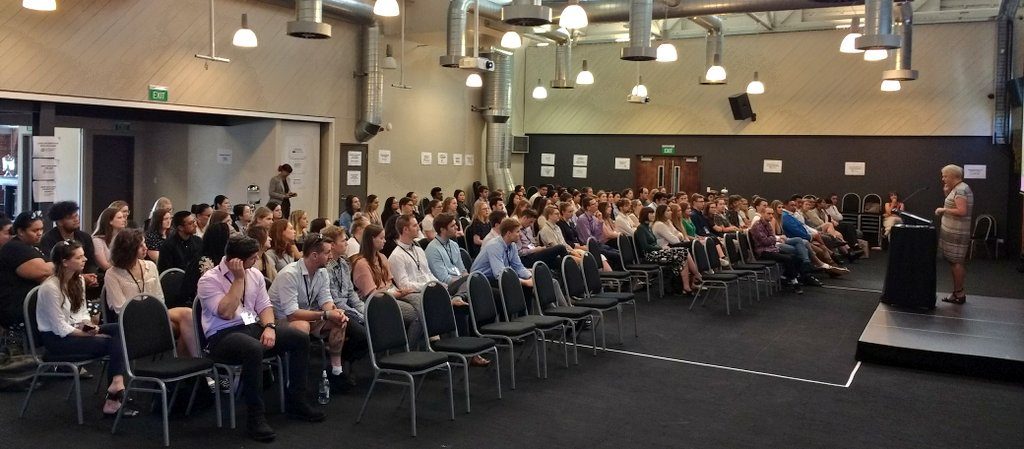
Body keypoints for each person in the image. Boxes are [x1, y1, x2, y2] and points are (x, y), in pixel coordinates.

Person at [197, 235, 325, 441]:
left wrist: (270, 327)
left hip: (252, 326)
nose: (257, 260)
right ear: (237, 261)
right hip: (222, 335)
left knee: (299, 338)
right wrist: (238, 279)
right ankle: (255, 417)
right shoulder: (209, 280)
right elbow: (226, 313)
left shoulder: (254, 274)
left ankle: (297, 401)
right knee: (253, 348)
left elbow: (265, 306)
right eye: (252, 258)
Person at [37, 240, 137, 417]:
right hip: (57, 340)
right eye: (79, 257)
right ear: (65, 262)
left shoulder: (78, 281)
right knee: (112, 343)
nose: (85, 259)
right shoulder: (50, 288)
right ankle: (114, 397)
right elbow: (60, 328)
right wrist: (90, 334)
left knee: (119, 329)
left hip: (75, 330)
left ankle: (116, 384)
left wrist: (88, 325)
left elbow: (82, 311)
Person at [269, 233, 356, 392]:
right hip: (280, 320)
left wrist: (334, 312)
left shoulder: (322, 272)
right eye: (327, 253)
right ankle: (296, 381)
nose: (331, 256)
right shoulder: (289, 274)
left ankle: (336, 371)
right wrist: (325, 315)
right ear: (315, 255)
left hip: (306, 316)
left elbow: (325, 300)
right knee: (302, 326)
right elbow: (292, 314)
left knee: (339, 320)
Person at [103, 228, 198, 356]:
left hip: (154, 312)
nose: (145, 248)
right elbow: (120, 308)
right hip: (132, 318)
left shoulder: (150, 266)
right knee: (184, 325)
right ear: (128, 249)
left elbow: (159, 297)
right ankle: (186, 361)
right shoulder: (112, 274)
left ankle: (193, 360)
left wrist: (154, 312)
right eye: (140, 246)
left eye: (144, 243)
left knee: (188, 314)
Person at [350, 224, 422, 345]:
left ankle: (423, 343)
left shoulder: (382, 257)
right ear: (372, 239)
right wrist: (397, 293)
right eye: (381, 238)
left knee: (421, 301)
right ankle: (409, 347)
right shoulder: (361, 264)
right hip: (376, 302)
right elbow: (372, 294)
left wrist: (399, 292)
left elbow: (389, 283)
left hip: (390, 295)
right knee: (418, 315)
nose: (384, 241)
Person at [0, 212, 53, 328]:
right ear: (20, 232)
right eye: (35, 230)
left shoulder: (35, 247)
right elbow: (43, 271)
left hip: (34, 303)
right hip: (18, 307)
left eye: (41, 229)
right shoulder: (14, 247)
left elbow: (49, 272)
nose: (39, 233)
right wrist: (61, 265)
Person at [634, 207, 700, 294]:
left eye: (653, 213)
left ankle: (686, 286)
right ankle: (696, 277)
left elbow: (654, 243)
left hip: (656, 252)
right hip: (650, 255)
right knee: (683, 252)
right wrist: (661, 248)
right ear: (645, 215)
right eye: (651, 213)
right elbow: (645, 247)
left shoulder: (648, 227)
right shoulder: (641, 228)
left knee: (683, 253)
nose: (653, 215)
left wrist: (661, 248)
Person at [936, 164, 974, 304]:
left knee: (956, 262)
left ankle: (959, 293)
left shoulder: (961, 190)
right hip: (953, 232)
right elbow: (954, 205)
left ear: (953, 176)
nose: (943, 179)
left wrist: (943, 210)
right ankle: (957, 292)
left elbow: (962, 211)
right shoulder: (957, 189)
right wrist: (947, 193)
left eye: (945, 176)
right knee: (954, 262)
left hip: (957, 233)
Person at [157, 211, 204, 308]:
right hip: (177, 290)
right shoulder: (168, 245)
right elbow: (167, 273)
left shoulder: (198, 242)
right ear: (180, 227)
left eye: (194, 221)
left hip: (197, 286)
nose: (195, 225)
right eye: (191, 223)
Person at [471, 218, 534, 289]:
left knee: (528, 285)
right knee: (517, 287)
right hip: (480, 281)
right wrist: (525, 282)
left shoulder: (512, 245)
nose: (520, 235)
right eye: (517, 232)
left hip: (493, 278)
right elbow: (500, 274)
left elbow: (518, 267)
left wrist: (530, 277)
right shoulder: (494, 246)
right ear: (508, 233)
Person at [40, 201, 98, 279]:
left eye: (76, 215)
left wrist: (92, 276)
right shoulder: (48, 239)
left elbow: (91, 262)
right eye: (70, 218)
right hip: (61, 278)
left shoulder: (85, 237)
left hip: (85, 276)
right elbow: (54, 265)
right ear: (60, 222)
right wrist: (81, 277)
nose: (76, 219)